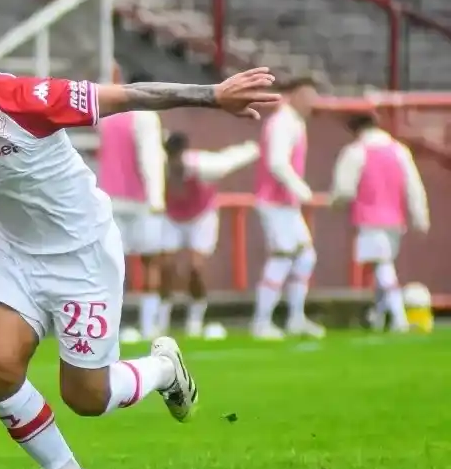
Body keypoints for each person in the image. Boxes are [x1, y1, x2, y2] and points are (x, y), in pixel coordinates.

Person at [0, 9, 278, 469]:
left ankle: (164, 370)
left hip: (82, 255)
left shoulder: (26, 98)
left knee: (87, 397)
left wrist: (211, 95)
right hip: (15, 252)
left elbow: (127, 97)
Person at [329, 113, 429, 332]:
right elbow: (413, 186)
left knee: (382, 266)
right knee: (381, 265)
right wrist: (420, 216)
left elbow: (344, 189)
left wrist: (335, 203)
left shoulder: (356, 151)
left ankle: (398, 317)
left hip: (368, 218)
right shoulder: (399, 150)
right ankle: (379, 316)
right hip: (395, 219)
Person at [159, 133, 260, 336]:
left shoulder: (204, 166)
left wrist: (254, 148)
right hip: (171, 217)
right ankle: (161, 320)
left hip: (201, 216)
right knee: (166, 267)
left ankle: (194, 320)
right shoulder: (159, 167)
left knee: (196, 268)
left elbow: (229, 160)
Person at [250, 77, 324, 340]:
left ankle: (295, 318)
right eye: (307, 95)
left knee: (305, 257)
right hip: (275, 201)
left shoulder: (294, 122)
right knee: (282, 256)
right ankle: (261, 322)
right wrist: (301, 188)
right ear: (292, 95)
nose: (312, 102)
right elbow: (277, 162)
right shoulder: (283, 122)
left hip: (285, 203)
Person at [97, 74, 166, 339]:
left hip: (110, 199)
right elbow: (150, 158)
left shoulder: (109, 116)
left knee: (114, 266)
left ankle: (114, 325)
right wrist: (157, 198)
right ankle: (149, 326)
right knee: (150, 262)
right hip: (140, 201)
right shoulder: (146, 117)